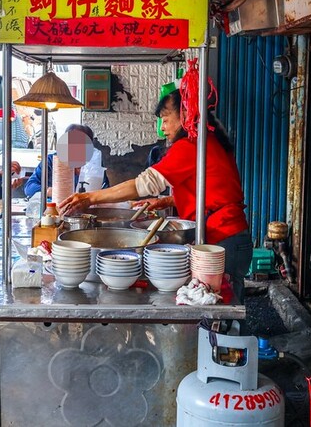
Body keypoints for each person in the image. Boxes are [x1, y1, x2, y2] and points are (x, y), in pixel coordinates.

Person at [59, 89, 252, 302]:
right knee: (223, 307)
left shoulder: (191, 145)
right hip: (230, 236)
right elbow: (210, 190)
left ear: (185, 115)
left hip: (224, 239)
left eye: (166, 119)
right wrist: (166, 200)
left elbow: (143, 184)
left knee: (223, 311)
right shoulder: (206, 142)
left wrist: (89, 198)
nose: (163, 128)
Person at [23, 124, 109, 200]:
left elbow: (105, 191)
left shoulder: (93, 165)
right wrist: (53, 191)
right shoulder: (52, 161)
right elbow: (29, 188)